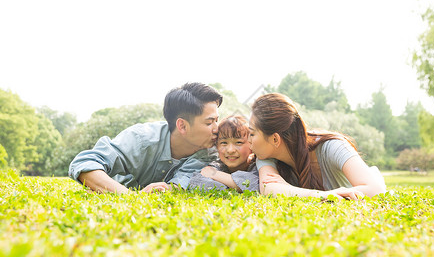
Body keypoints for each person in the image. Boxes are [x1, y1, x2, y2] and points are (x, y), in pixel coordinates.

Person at [68, 82, 222, 194]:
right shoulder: (142, 139)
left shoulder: (210, 153)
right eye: (209, 122)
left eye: (217, 120)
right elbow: (85, 163)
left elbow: (182, 182)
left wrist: (170, 188)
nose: (217, 128)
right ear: (182, 126)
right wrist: (129, 197)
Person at [249, 93, 386, 200]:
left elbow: (376, 190)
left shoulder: (331, 146)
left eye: (252, 133)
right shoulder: (266, 156)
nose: (248, 139)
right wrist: (326, 195)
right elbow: (268, 188)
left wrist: (288, 189)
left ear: (275, 139)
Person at [189, 115, 259, 192]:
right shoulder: (217, 165)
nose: (230, 150)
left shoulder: (258, 165)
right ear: (217, 147)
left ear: (252, 145)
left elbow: (255, 184)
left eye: (238, 142)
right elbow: (197, 182)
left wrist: (215, 175)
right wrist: (237, 187)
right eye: (224, 143)